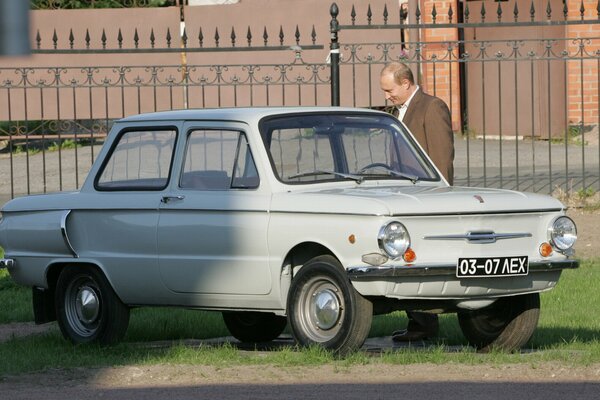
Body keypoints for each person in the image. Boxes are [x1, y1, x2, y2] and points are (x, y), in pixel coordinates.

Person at [379, 61, 454, 342]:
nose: (387, 95)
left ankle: (425, 324)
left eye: (390, 89)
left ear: (406, 83)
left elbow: (442, 156)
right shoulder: (399, 111)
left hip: (426, 198)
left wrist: (441, 194)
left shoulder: (431, 107)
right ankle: (419, 323)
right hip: (403, 196)